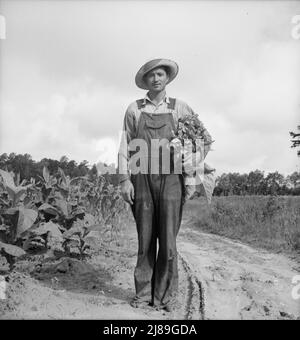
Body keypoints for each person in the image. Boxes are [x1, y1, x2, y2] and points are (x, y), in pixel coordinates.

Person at [118, 58, 213, 312]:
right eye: (151, 75)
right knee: (145, 238)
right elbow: (124, 147)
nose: (156, 79)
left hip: (172, 179)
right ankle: (142, 295)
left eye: (160, 74)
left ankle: (165, 297)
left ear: (167, 78)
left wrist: (192, 162)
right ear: (145, 81)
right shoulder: (134, 109)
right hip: (141, 178)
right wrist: (124, 179)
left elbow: (204, 140)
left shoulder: (180, 108)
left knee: (168, 240)